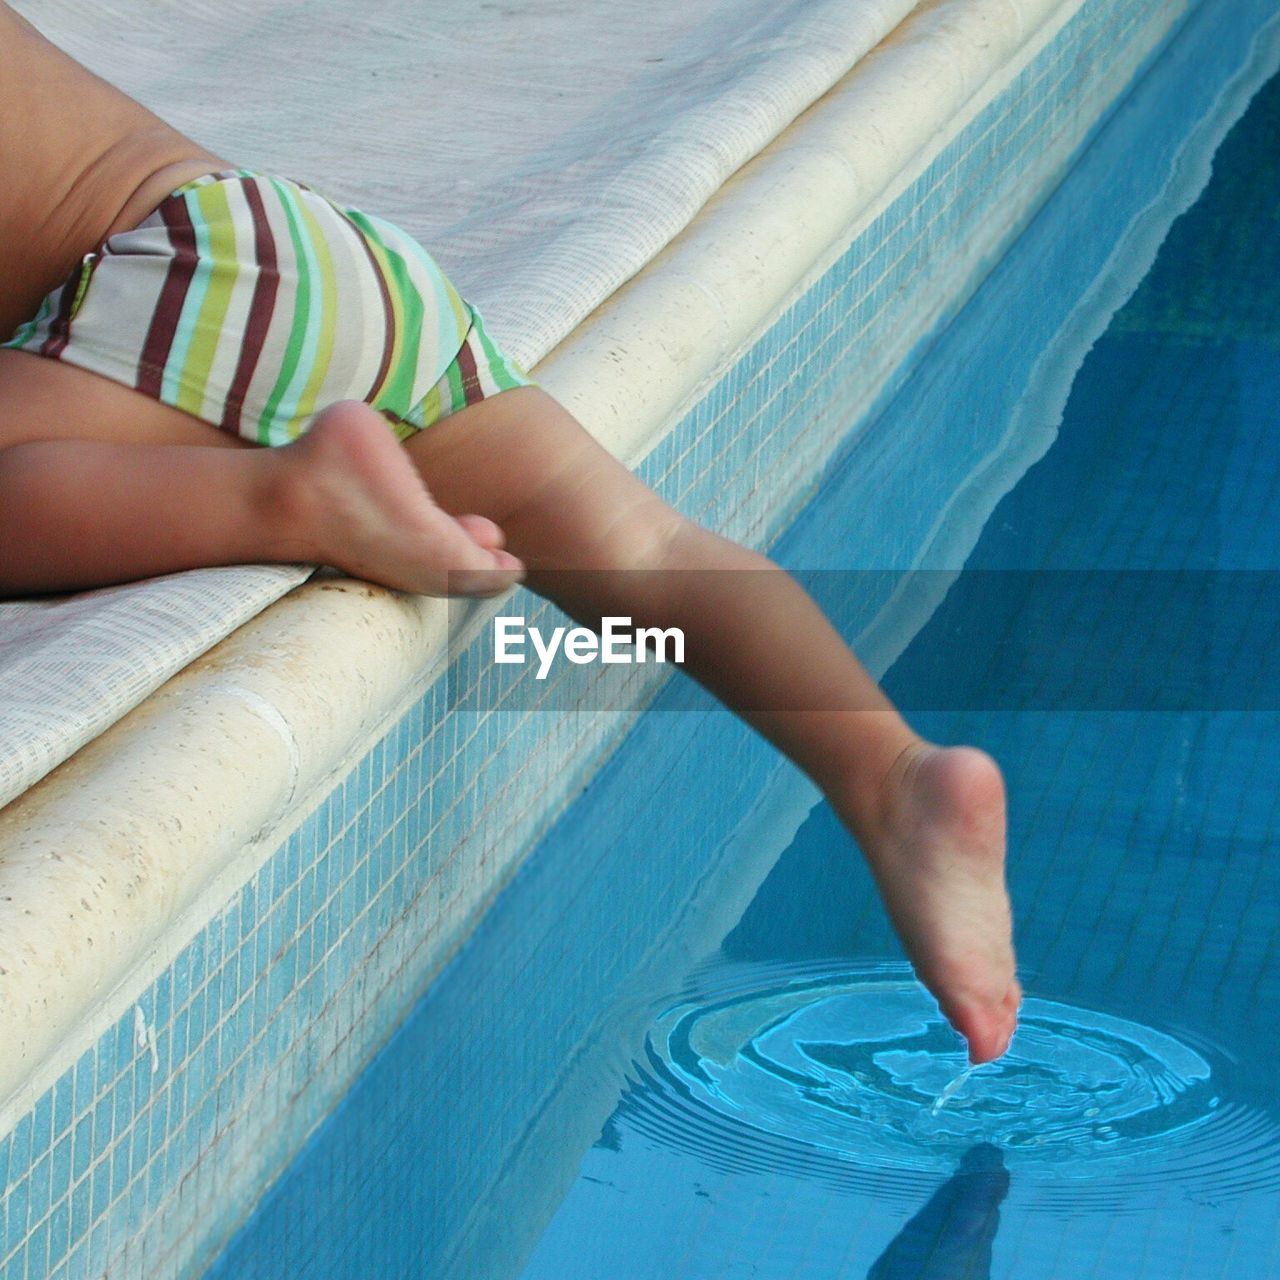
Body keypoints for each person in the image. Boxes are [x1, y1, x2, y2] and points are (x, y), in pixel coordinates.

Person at [0, 3, 1020, 1063]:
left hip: (184, 286)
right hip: (340, 270)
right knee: (650, 554)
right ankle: (893, 773)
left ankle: (288, 496)